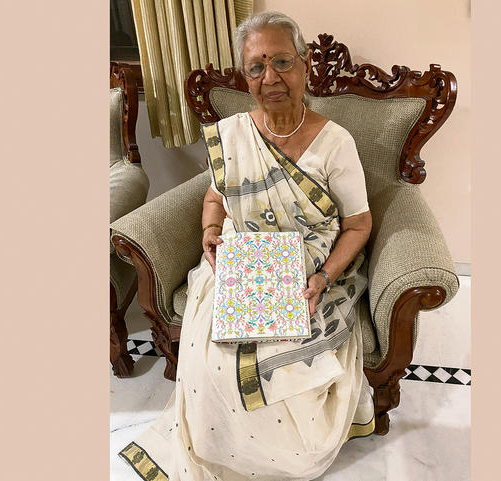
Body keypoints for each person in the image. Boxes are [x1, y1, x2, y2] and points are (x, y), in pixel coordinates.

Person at [119, 11, 374, 481]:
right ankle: (218, 448)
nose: (270, 77)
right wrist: (209, 232)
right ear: (245, 76)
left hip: (311, 270)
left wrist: (323, 277)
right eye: (256, 67)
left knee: (293, 381)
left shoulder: (335, 143)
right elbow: (215, 197)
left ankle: (282, 456)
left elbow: (358, 225)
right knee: (216, 360)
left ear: (305, 65)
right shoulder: (234, 134)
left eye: (282, 61)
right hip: (242, 262)